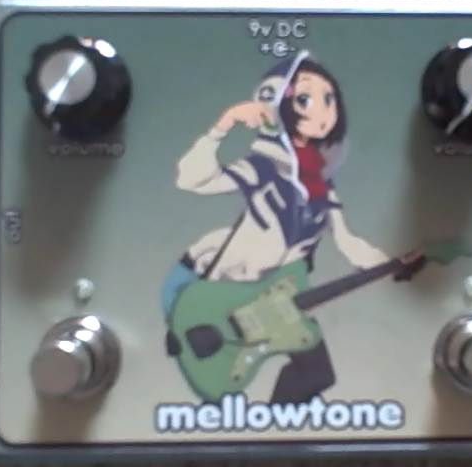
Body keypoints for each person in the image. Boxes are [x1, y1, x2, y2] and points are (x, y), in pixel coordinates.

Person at [162, 50, 388, 404]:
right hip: (232, 297)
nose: (323, 112)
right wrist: (223, 126)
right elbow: (192, 179)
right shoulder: (265, 167)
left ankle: (273, 421)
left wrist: (391, 265)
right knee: (227, 379)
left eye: (329, 99)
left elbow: (346, 240)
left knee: (317, 374)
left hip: (282, 297)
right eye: (306, 99)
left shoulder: (322, 184)